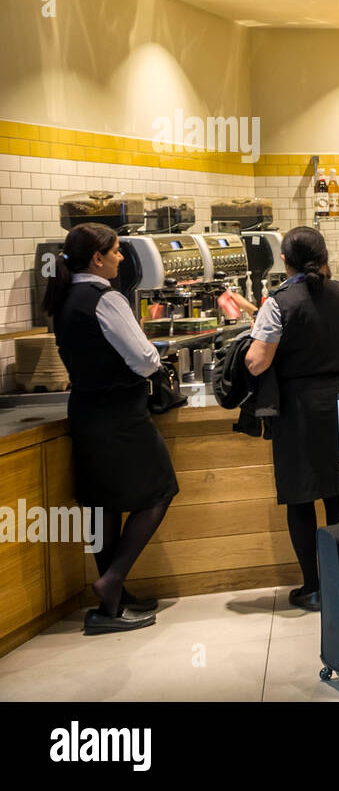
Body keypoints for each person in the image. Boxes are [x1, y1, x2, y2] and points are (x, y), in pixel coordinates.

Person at [45, 223, 177, 634]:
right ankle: (112, 579)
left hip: (85, 410)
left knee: (102, 504)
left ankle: (112, 606)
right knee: (159, 491)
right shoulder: (105, 297)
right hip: (120, 413)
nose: (122, 258)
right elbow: (143, 359)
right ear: (98, 258)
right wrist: (156, 356)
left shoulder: (65, 297)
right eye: (117, 251)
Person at [245, 227, 339, 613]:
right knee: (338, 493)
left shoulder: (278, 301)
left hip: (297, 405)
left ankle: (312, 587)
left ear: (285, 261)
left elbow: (257, 360)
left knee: (300, 498)